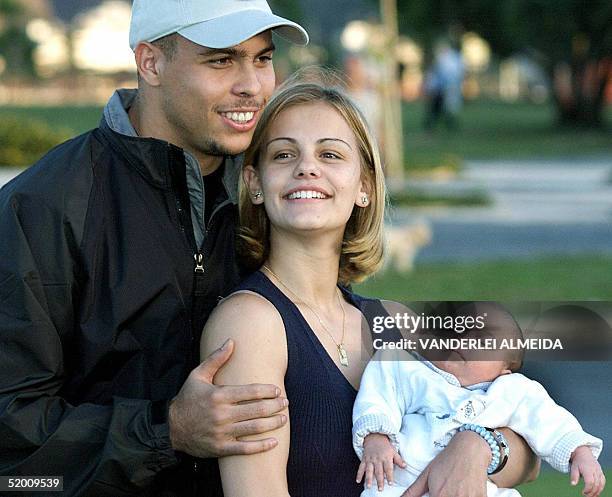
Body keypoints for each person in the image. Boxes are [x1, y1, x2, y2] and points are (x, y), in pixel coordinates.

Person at [0, 1, 309, 495]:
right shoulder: (42, 207)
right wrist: (168, 431)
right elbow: (11, 446)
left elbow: (363, 336)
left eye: (263, 58)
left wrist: (477, 431)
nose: (252, 85)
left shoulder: (280, 191)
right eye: (221, 60)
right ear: (150, 63)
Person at [200, 76, 540, 497]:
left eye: (330, 154)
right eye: (284, 154)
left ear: (363, 186)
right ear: (254, 183)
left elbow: (530, 454)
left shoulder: (393, 320)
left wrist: (474, 445)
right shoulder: (251, 323)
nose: (307, 167)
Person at [353, 302, 605, 497]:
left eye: (483, 339)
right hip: (401, 482)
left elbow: (549, 420)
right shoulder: (407, 367)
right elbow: (378, 395)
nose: (464, 339)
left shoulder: (513, 391)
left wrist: (579, 451)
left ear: (506, 367)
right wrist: (376, 437)